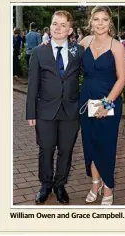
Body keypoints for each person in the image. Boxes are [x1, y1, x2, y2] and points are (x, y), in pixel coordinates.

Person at [26, 10, 84, 204]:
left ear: (70, 30)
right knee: (46, 148)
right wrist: (30, 112)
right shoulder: (38, 52)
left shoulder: (78, 51)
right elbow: (33, 85)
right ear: (49, 27)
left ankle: (60, 185)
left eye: (63, 25)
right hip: (45, 110)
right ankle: (45, 185)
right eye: (54, 24)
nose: (58, 28)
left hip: (71, 110)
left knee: (66, 149)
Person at [78, 6, 125, 206]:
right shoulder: (84, 42)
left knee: (106, 146)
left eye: (104, 19)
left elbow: (122, 79)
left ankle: (108, 187)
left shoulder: (117, 46)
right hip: (86, 100)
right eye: (96, 19)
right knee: (89, 144)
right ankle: (95, 183)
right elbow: (66, 54)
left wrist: (107, 104)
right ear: (91, 22)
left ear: (110, 23)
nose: (100, 23)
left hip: (109, 102)